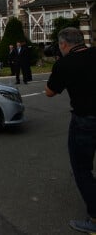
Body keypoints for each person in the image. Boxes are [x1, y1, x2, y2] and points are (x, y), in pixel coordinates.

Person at [45, 27, 96, 233]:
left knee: (82, 169)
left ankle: (94, 219)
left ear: (64, 44)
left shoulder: (64, 64)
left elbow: (49, 92)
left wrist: (59, 66)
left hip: (85, 120)